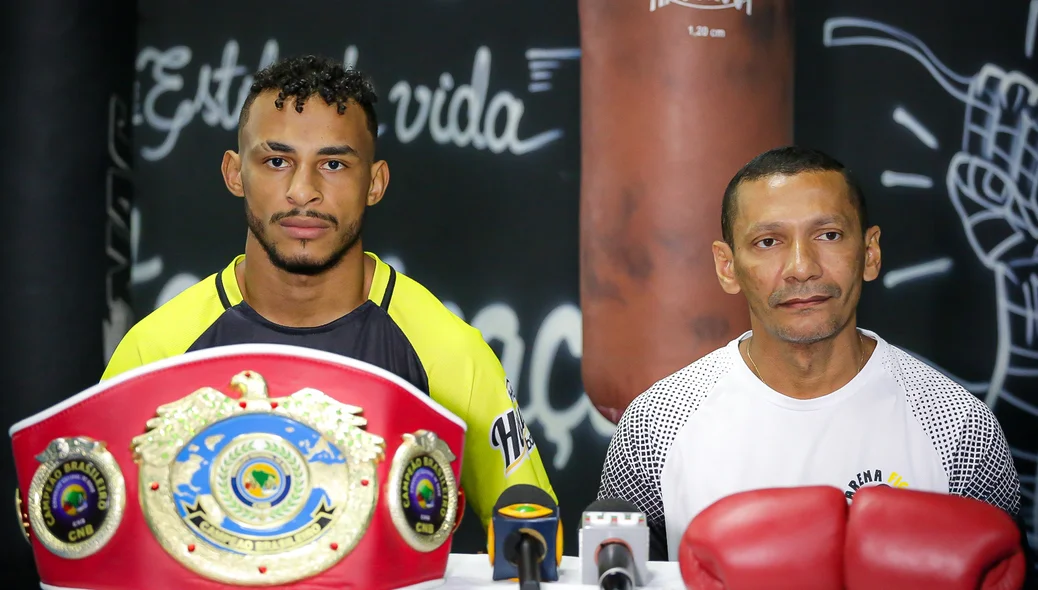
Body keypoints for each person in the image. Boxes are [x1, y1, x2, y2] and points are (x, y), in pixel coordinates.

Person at [103, 55, 555, 535]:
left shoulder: (451, 356)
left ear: (375, 183)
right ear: (235, 174)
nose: (303, 191)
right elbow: (91, 528)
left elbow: (532, 540)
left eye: (334, 164)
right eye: (277, 161)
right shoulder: (154, 352)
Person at [597, 146, 1024, 561]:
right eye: (768, 241)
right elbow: (612, 577)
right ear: (727, 267)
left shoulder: (959, 429)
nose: (802, 267)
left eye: (829, 235)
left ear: (870, 253)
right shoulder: (656, 425)